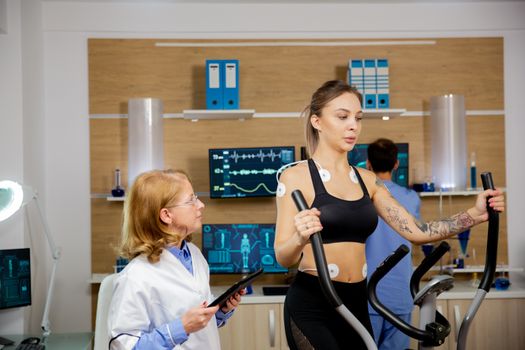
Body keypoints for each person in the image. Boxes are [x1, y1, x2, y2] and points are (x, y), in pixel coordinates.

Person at [274, 80, 505, 350]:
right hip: (313, 303)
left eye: (358, 118)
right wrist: (300, 237)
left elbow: (418, 232)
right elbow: (283, 256)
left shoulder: (368, 181)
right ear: (317, 121)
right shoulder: (295, 176)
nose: (353, 126)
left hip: (356, 302)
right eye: (342, 116)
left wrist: (474, 215)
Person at [108, 169, 244, 350]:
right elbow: (124, 346)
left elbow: (200, 329)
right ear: (166, 215)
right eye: (191, 200)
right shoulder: (135, 277)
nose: (201, 205)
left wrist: (222, 310)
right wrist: (180, 328)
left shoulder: (194, 255)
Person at [365, 138, 420, 350]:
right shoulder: (411, 198)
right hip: (400, 293)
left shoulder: (362, 198)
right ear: (396, 164)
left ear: (368, 164)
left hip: (369, 294)